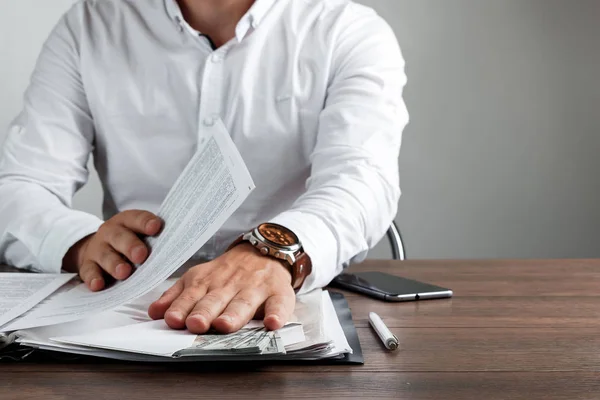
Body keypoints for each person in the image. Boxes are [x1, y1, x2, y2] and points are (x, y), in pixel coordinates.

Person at [0, 0, 408, 334]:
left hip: (287, 302)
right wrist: (82, 244)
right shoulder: (90, 25)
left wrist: (273, 252)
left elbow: (363, 180)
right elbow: (20, 185)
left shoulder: (348, 31)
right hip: (128, 303)